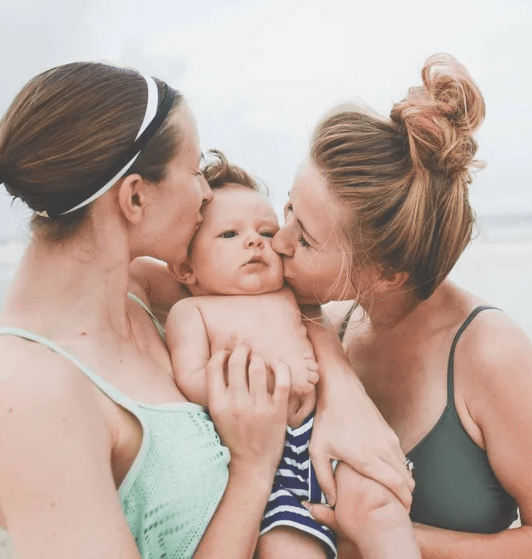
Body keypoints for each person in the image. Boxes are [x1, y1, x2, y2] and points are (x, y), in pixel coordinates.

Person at [0, 62, 412, 559]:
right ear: (134, 197)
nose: (206, 192)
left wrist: (345, 394)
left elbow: (278, 301)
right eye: (195, 170)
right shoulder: (29, 391)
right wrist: (252, 467)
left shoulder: (134, 292)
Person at [273, 54, 532, 558]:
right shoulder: (329, 324)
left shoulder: (489, 353)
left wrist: (384, 533)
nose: (277, 239)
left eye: (306, 239)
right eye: (288, 206)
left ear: (384, 272)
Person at [161, 152, 419, 559]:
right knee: (287, 548)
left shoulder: (294, 297)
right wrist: (268, 382)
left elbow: (325, 340)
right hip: (262, 454)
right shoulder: (192, 312)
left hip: (323, 438)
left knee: (380, 511)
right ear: (185, 269)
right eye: (229, 235)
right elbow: (191, 379)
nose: (254, 242)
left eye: (266, 232)